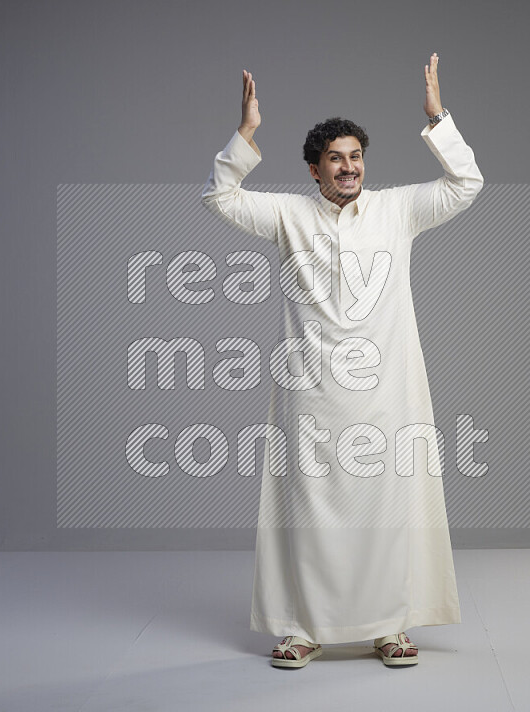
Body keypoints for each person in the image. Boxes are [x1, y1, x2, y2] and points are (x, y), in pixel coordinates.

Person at [201, 53, 484, 667]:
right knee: (309, 511)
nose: (349, 167)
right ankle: (303, 628)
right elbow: (220, 198)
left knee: (388, 508)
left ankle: (390, 625)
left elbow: (467, 185)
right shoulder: (288, 213)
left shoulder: (397, 209)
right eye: (336, 158)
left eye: (356, 157)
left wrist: (438, 121)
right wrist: (245, 136)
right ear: (314, 168)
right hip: (310, 393)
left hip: (387, 393)